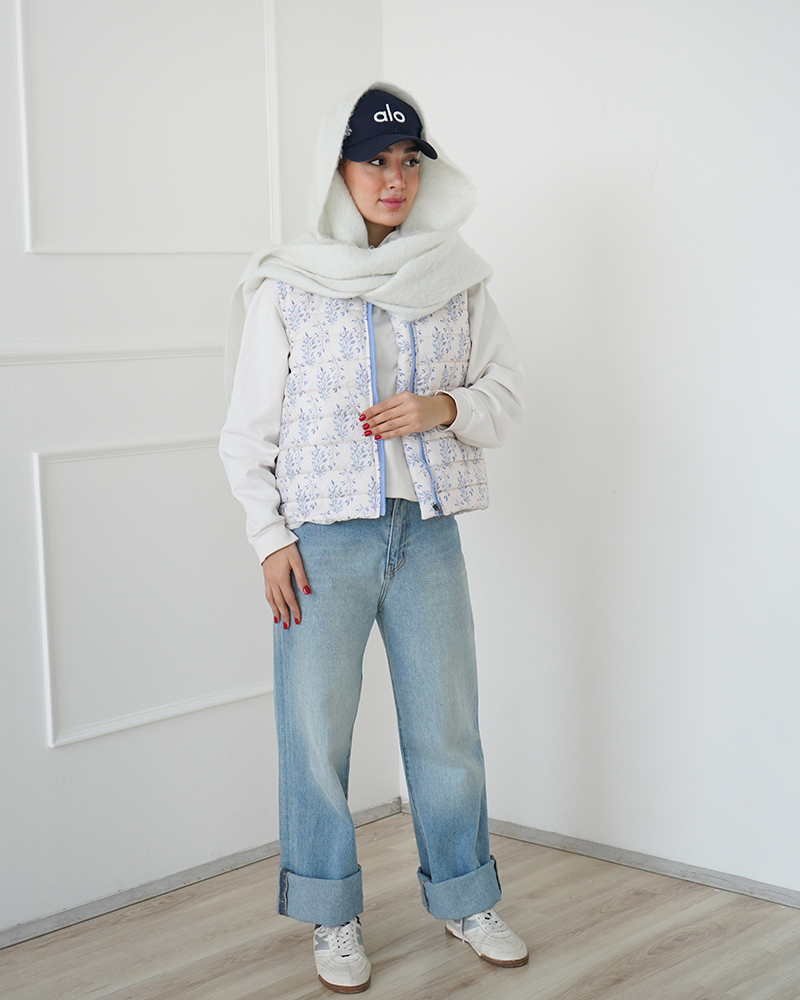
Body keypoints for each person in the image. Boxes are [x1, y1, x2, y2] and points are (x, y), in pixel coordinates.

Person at [220, 83, 526, 994]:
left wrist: (443, 406)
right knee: (314, 734)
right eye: (373, 161)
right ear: (338, 169)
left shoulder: (457, 277)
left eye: (408, 161)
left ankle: (466, 897)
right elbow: (246, 430)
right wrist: (269, 538)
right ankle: (332, 914)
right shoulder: (289, 282)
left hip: (425, 533)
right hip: (321, 542)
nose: (394, 179)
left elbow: (505, 397)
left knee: (446, 727)